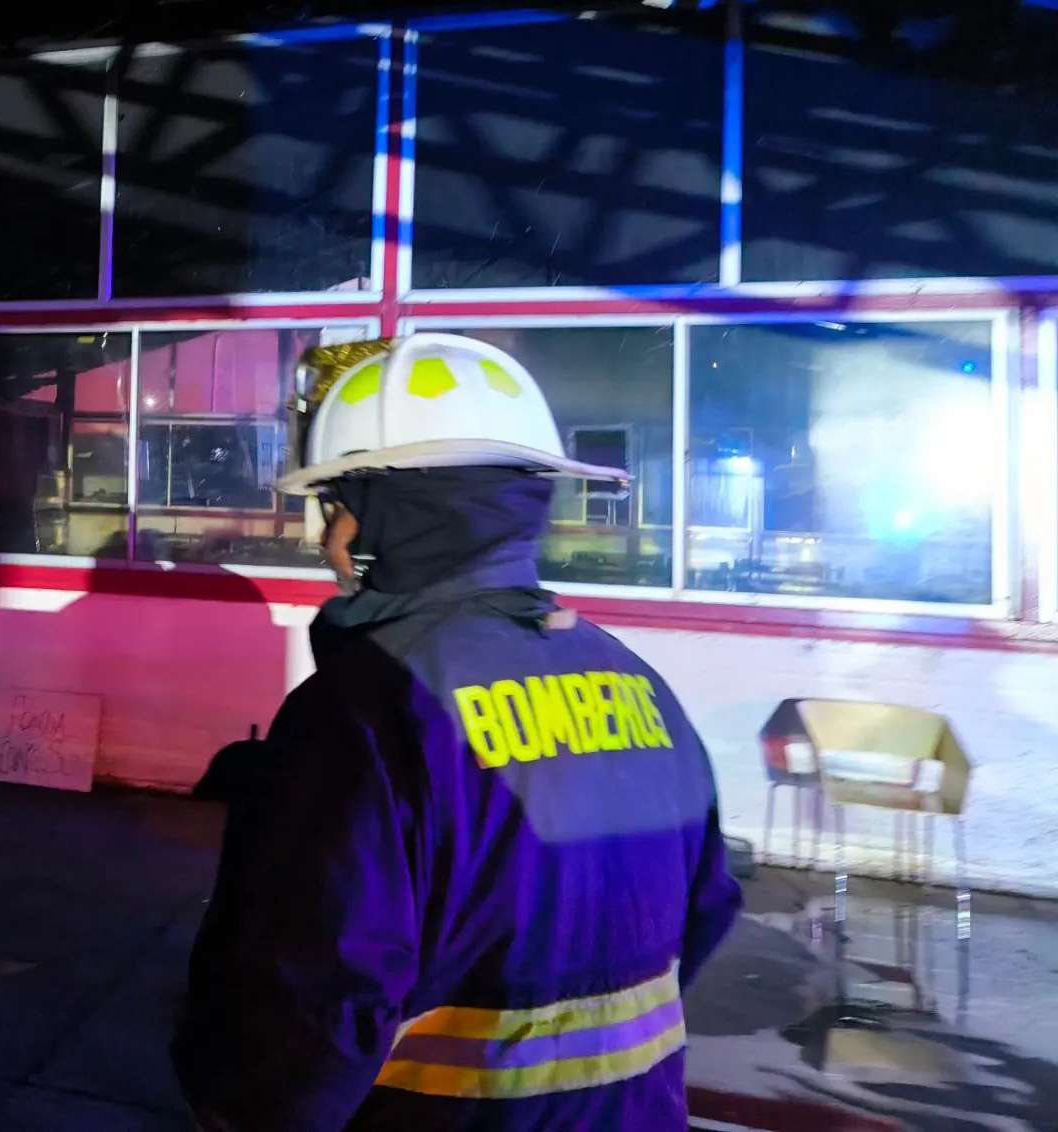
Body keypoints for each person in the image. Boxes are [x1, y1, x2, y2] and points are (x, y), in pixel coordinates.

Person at [173, 334, 742, 1131]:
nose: (322, 539)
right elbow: (706, 909)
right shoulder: (639, 687)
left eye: (334, 507)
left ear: (382, 519)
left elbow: (302, 1019)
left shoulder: (365, 713)